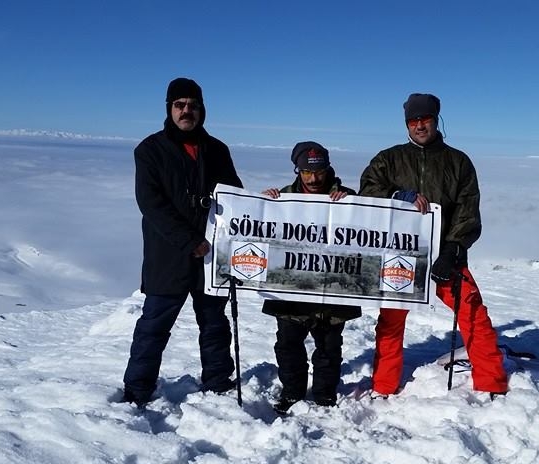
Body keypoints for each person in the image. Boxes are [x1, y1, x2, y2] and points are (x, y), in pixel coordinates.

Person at [358, 93, 508, 398]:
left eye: (424, 119)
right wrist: (398, 193)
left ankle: (491, 384)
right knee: (390, 323)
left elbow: (468, 208)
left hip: (445, 255)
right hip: (400, 256)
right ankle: (383, 387)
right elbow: (367, 190)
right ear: (406, 124)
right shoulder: (389, 158)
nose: (419, 125)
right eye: (413, 120)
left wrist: (453, 249)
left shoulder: (458, 161)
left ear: (436, 119)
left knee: (473, 314)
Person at [121, 78, 243, 408]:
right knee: (154, 326)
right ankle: (137, 391)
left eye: (192, 105)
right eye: (179, 105)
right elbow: (151, 203)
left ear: (202, 110)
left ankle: (218, 382)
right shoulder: (150, 150)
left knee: (215, 323)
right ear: (169, 109)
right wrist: (189, 240)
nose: (186, 111)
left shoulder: (217, 150)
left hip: (210, 257)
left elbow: (234, 195)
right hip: (168, 256)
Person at [261, 141, 362, 414]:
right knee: (288, 344)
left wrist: (351, 206)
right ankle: (292, 392)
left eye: (318, 172)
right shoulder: (282, 198)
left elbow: (368, 234)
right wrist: (261, 205)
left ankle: (324, 394)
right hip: (291, 290)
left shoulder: (347, 197)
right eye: (306, 172)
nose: (314, 179)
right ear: (297, 171)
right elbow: (260, 231)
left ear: (328, 168)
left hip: (333, 290)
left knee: (329, 346)